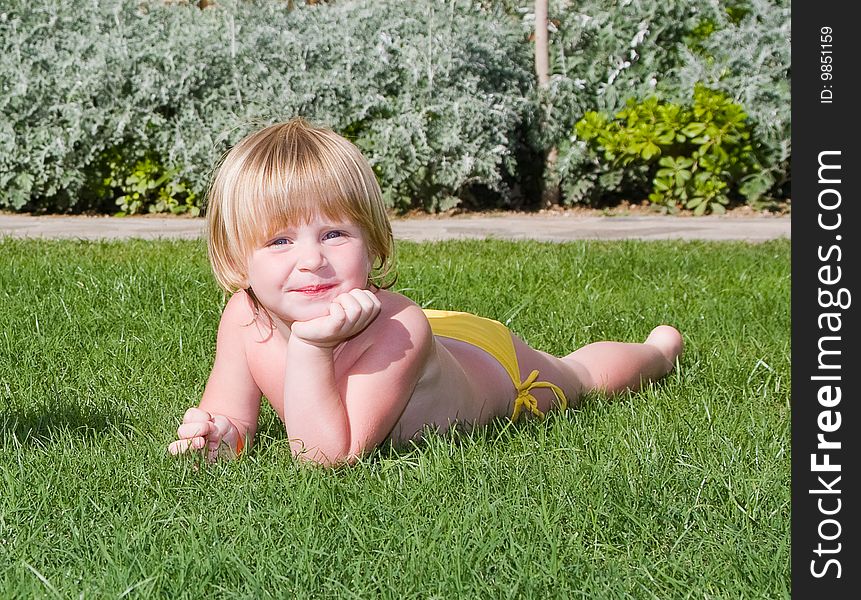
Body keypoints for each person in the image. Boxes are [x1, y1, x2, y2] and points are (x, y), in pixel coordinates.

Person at [168, 118, 683, 466]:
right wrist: (219, 434)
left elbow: (328, 454)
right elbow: (235, 415)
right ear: (237, 260)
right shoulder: (245, 317)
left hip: (493, 365)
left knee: (578, 376)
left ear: (372, 242)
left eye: (334, 234)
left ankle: (658, 352)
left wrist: (310, 345)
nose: (311, 259)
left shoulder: (398, 328)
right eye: (280, 241)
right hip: (430, 336)